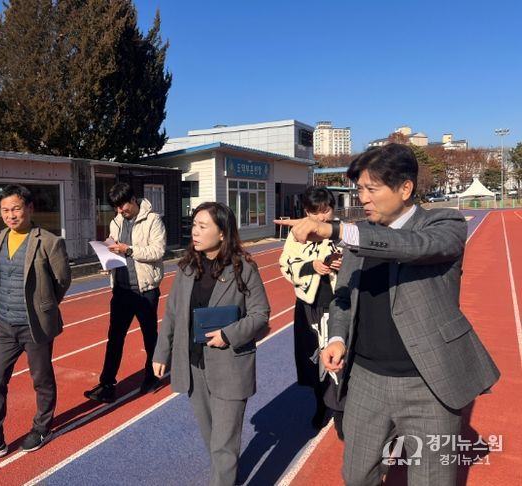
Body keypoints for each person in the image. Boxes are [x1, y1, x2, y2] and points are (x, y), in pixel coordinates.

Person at [276, 143, 500, 485]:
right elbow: (343, 295)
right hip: (366, 379)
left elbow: (413, 246)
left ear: (405, 188)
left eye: (371, 189)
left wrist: (335, 229)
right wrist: (337, 337)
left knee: (432, 480)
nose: (362, 198)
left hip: (428, 383)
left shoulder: (444, 223)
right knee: (356, 475)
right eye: (359, 189)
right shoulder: (360, 235)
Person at [153, 202, 270, 486]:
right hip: (194, 366)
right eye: (194, 225)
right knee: (212, 439)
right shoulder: (186, 269)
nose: (194, 231)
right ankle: (228, 475)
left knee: (223, 446)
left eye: (202, 226)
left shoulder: (244, 269)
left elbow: (260, 314)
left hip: (230, 367)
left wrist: (228, 334)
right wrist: (161, 353)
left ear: (222, 233)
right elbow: (172, 314)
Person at [0, 184, 72, 465]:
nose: (10, 215)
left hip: (34, 326)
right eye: (5, 210)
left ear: (29, 208)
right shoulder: (1, 237)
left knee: (41, 379)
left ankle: (42, 427)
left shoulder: (49, 242)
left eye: (16, 209)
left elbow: (62, 280)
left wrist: (44, 305)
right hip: (4, 325)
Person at [84, 182, 166, 403]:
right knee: (114, 338)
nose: (120, 210)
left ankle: (151, 376)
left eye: (122, 205)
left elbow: (158, 251)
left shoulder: (153, 220)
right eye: (116, 207)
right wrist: (108, 260)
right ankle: (107, 384)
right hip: (121, 290)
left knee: (150, 336)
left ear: (133, 199)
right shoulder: (116, 221)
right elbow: (114, 248)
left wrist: (128, 249)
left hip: (145, 290)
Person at [278, 186, 344, 435]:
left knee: (340, 358)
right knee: (313, 358)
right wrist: (311, 266)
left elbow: (358, 257)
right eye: (315, 212)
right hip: (309, 306)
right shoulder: (297, 234)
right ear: (307, 212)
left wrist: (341, 263)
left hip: (338, 305)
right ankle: (321, 404)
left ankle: (341, 408)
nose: (321, 217)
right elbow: (286, 264)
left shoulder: (341, 231)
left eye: (326, 211)